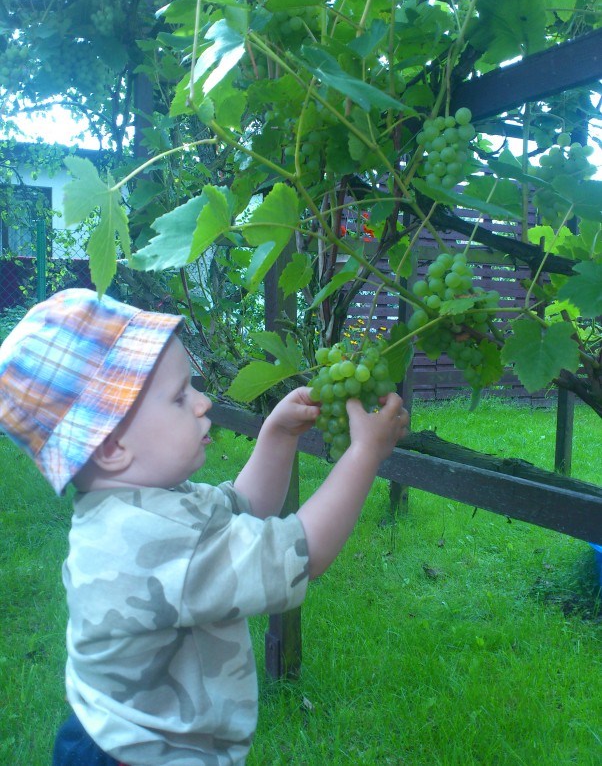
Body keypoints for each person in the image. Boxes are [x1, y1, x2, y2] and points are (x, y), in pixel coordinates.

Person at [0, 288, 409, 766]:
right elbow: (302, 553)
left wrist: (276, 435)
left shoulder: (143, 504)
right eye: (179, 397)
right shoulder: (143, 542)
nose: (203, 401)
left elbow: (244, 508)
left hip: (116, 736)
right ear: (111, 447)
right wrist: (363, 456)